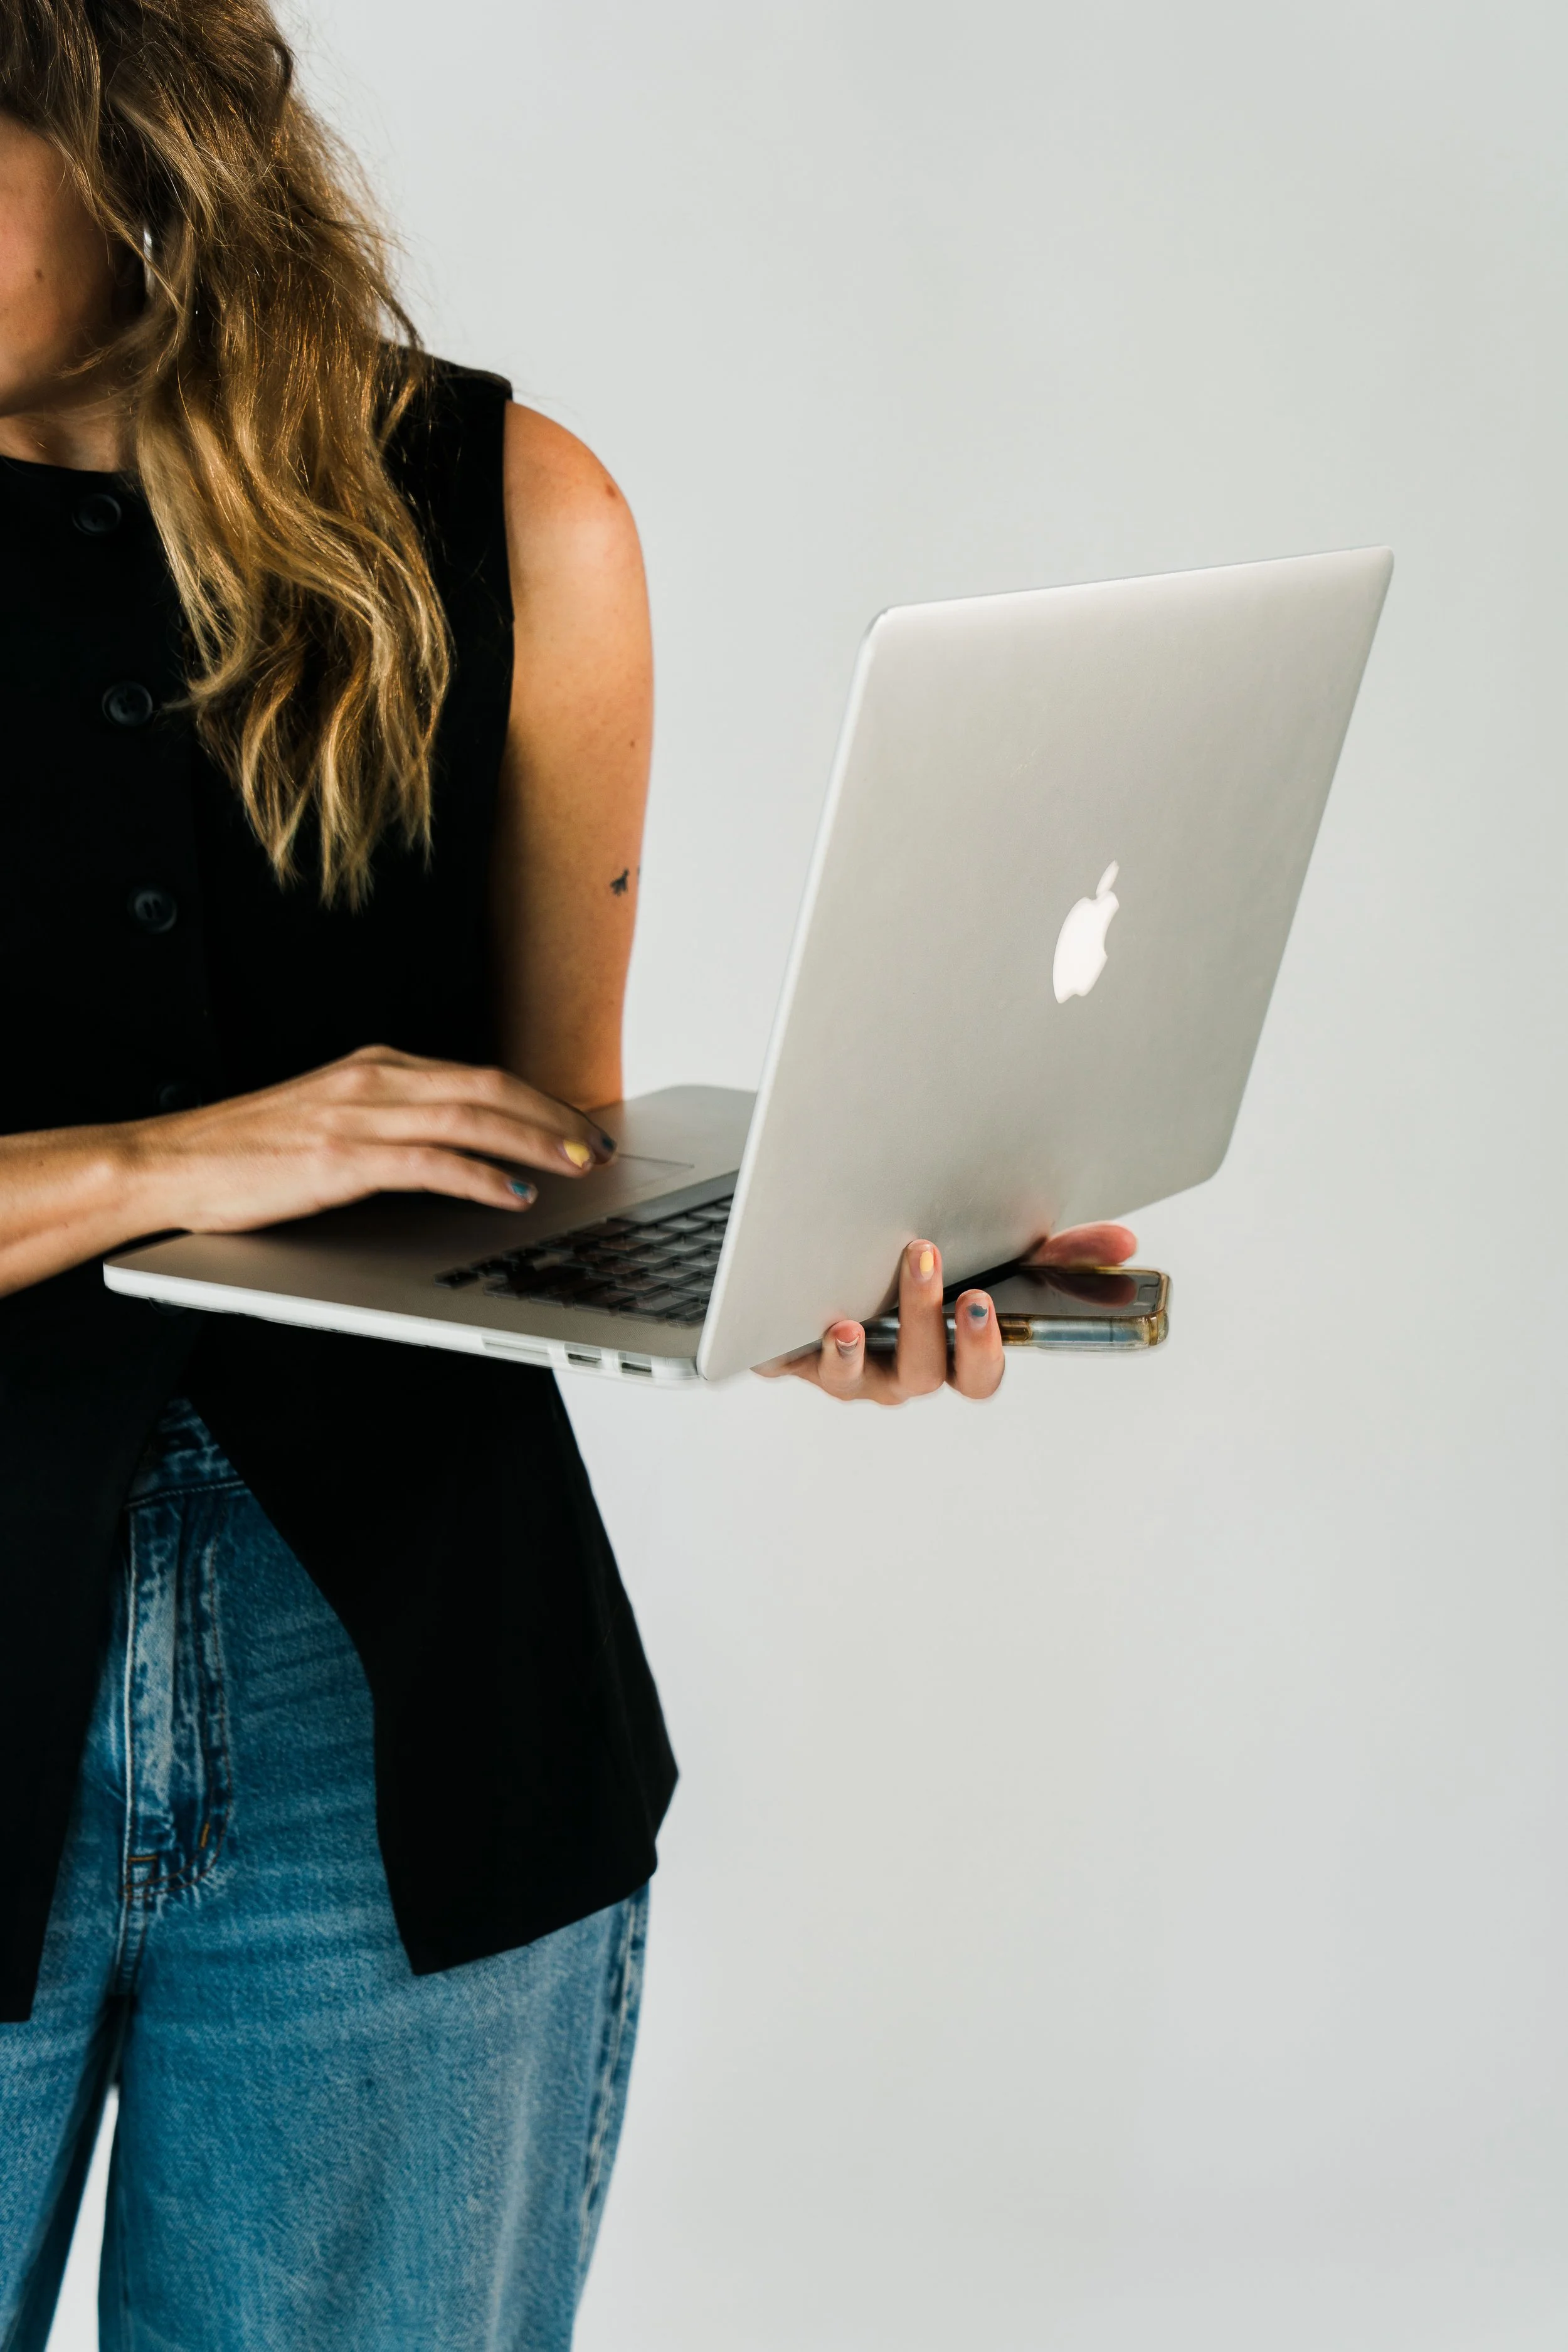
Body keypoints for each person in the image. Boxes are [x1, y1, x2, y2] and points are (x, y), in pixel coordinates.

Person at [0, 3, 1136, 2344]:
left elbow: (527, 1159)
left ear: (132, 138)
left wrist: (782, 1273)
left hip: (411, 1739)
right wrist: (167, 1162)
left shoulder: (517, 517)